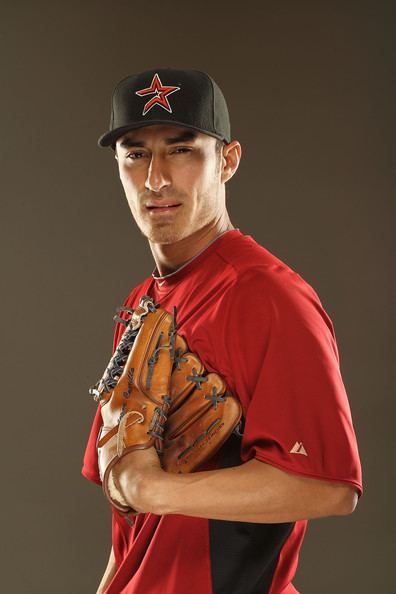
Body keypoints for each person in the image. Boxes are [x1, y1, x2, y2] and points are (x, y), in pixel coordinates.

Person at [82, 67, 362, 594]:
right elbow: (130, 530)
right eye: (136, 153)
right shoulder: (142, 299)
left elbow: (327, 486)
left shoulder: (266, 296)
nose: (156, 177)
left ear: (227, 161)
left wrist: (155, 489)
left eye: (182, 149)